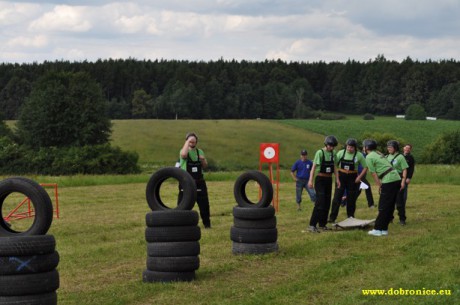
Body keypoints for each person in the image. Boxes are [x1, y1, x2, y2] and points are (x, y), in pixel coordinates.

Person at [363, 139, 402, 237]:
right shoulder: (378, 153)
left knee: (383, 206)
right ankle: (384, 229)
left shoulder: (369, 157)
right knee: (389, 205)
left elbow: (373, 173)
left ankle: (377, 229)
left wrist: (379, 185)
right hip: (396, 178)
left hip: (389, 180)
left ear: (366, 147)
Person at [328, 138, 368, 223]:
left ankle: (351, 217)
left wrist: (359, 177)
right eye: (348, 147)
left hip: (352, 177)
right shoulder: (341, 153)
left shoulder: (359, 155)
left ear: (355, 148)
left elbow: (365, 167)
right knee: (337, 197)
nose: (349, 149)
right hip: (341, 176)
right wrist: (337, 177)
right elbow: (335, 165)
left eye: (351, 147)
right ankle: (332, 217)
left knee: (351, 198)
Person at [306, 135, 340, 233]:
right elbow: (313, 167)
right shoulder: (320, 153)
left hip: (329, 179)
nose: (331, 148)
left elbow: (334, 167)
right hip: (320, 179)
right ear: (326, 144)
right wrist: (310, 180)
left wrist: (337, 179)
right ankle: (312, 224)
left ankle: (322, 224)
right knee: (320, 202)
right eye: (330, 145)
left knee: (327, 202)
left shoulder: (334, 153)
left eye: (333, 146)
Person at [178, 132, 211, 228]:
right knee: (183, 203)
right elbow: (184, 155)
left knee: (204, 204)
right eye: (190, 141)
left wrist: (203, 160)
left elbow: (205, 166)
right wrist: (187, 142)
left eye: (193, 141)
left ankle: (207, 224)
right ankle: (181, 224)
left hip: (199, 182)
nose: (192, 142)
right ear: (186, 141)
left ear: (196, 142)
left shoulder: (200, 151)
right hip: (186, 182)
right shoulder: (183, 151)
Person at [386, 140, 409, 225]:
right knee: (389, 201)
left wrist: (403, 181)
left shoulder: (400, 157)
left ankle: (402, 219)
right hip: (388, 180)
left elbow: (404, 170)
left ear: (395, 148)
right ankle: (389, 218)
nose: (389, 149)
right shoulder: (387, 157)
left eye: (390, 147)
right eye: (388, 147)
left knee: (399, 202)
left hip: (398, 180)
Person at [402, 143, 415, 221]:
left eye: (408, 148)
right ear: (403, 148)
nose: (407, 149)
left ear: (410, 150)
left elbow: (411, 169)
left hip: (406, 177)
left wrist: (409, 178)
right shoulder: (399, 156)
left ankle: (403, 204)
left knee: (404, 191)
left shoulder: (411, 158)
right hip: (398, 176)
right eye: (406, 148)